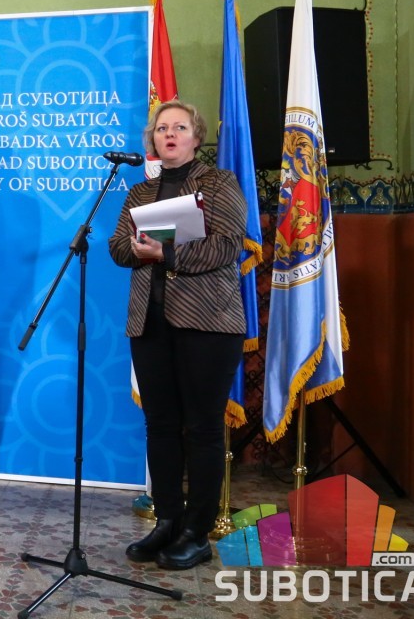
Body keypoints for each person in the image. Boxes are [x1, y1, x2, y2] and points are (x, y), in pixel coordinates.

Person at [107, 99, 247, 570]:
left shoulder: (219, 183)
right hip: (150, 324)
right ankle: (167, 521)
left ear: (196, 137)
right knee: (160, 425)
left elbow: (226, 245)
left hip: (208, 323)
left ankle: (196, 533)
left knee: (202, 428)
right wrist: (137, 248)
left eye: (180, 127)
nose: (169, 133)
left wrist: (164, 252)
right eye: (162, 127)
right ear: (152, 139)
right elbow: (117, 247)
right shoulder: (140, 191)